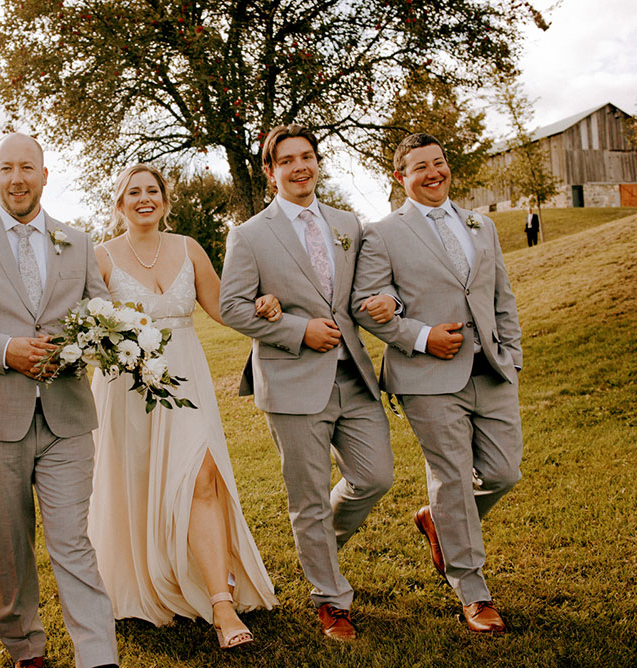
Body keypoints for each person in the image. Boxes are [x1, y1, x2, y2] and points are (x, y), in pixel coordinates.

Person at [0, 133, 119, 668]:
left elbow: (103, 314)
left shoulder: (76, 240)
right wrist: (5, 349)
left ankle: (98, 657)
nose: (17, 178)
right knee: (8, 547)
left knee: (72, 541)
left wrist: (76, 345)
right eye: (6, 168)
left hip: (67, 415)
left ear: (44, 174)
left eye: (27, 167)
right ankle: (26, 650)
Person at [88, 164, 279, 649]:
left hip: (186, 379)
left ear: (165, 200)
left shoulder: (189, 248)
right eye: (134, 192)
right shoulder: (101, 257)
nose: (144, 198)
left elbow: (222, 307)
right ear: (119, 203)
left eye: (153, 190)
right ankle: (153, 577)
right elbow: (84, 326)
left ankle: (220, 603)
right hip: (127, 387)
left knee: (201, 475)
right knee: (141, 483)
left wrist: (264, 305)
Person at [219, 124, 397, 641]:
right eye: (287, 160)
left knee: (376, 477)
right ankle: (330, 600)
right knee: (309, 498)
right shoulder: (249, 234)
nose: (300, 167)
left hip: (354, 376)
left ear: (317, 162)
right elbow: (232, 306)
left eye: (307, 157)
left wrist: (392, 303)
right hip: (292, 381)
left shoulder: (348, 224)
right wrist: (297, 330)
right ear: (270, 171)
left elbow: (371, 288)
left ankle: (318, 548)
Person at [352, 133, 523, 633]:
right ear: (401, 177)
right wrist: (423, 337)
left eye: (439, 162)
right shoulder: (382, 233)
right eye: (419, 167)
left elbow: (500, 294)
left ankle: (438, 521)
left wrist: (511, 355)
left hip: (490, 370)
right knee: (452, 475)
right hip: (426, 377)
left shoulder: (481, 224)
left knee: (504, 472)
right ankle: (473, 592)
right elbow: (368, 302)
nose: (433, 173)